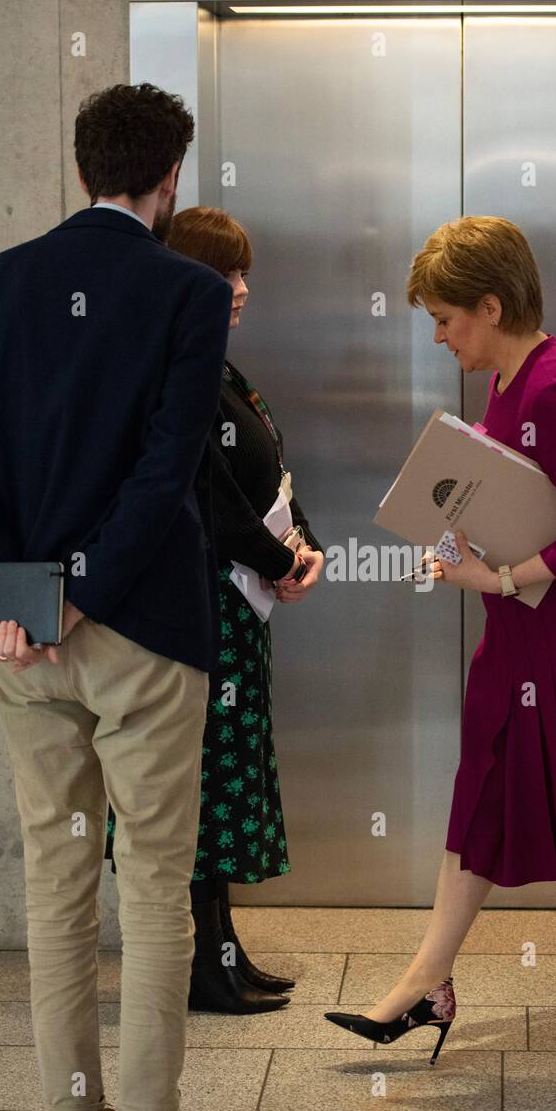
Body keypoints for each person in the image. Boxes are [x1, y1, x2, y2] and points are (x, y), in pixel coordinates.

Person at [0, 82, 245, 1111]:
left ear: (82, 169)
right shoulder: (186, 292)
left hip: (21, 643)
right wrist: (85, 586)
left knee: (57, 882)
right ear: (168, 180)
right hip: (148, 634)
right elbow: (167, 463)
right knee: (155, 885)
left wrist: (16, 592)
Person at [326, 215, 556, 1064]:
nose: (438, 337)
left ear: (490, 307)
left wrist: (497, 576)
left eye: (445, 319)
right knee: (486, 787)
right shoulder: (509, 385)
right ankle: (429, 977)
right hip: (523, 629)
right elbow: (529, 506)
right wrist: (468, 547)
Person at [102, 207, 325, 1014]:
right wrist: (281, 557)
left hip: (240, 607)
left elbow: (272, 480)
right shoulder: (169, 369)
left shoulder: (220, 369)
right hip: (198, 609)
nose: (241, 290)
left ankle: (225, 956)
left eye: (244, 275)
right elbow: (211, 500)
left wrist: (308, 543)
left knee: (224, 791)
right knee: (198, 788)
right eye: (227, 275)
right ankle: (201, 968)